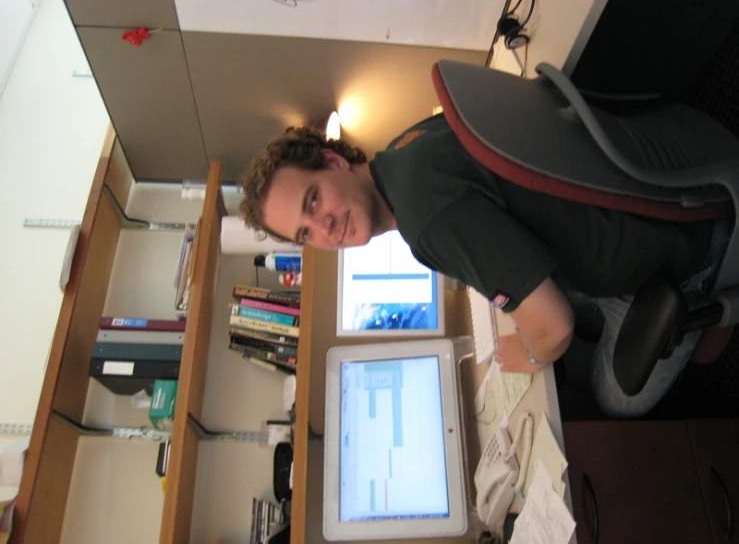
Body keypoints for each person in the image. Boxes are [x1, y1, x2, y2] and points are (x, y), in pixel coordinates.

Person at [238, 114, 728, 418]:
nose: (324, 228)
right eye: (306, 234)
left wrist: (533, 355)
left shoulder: (427, 222)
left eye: (312, 199)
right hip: (653, 179)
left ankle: (711, 304)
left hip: (673, 245)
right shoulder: (407, 145)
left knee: (611, 399)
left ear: (333, 161)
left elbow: (555, 328)